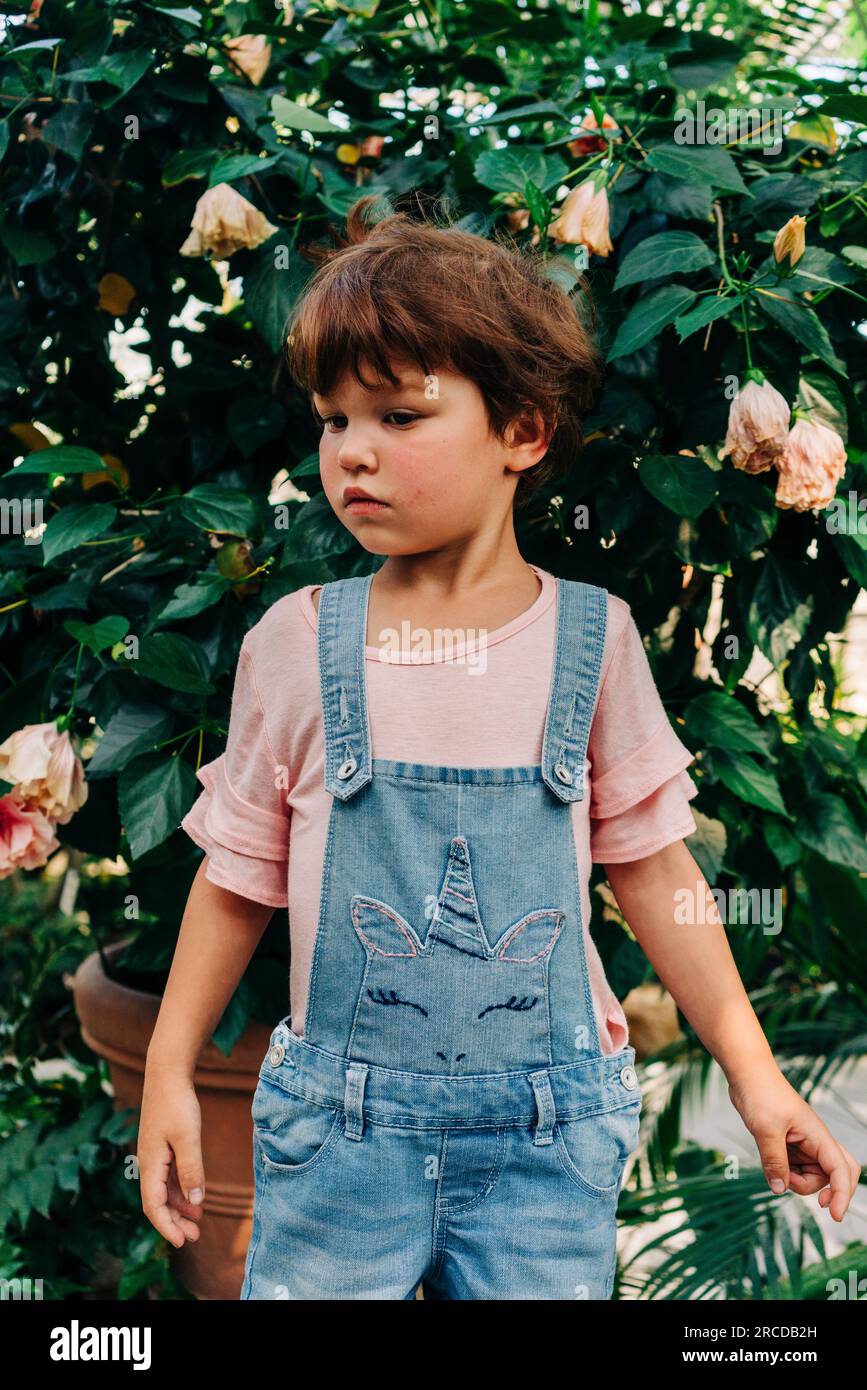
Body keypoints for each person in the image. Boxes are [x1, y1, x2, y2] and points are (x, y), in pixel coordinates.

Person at [138, 195, 860, 1300]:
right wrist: (168, 1068)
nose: (353, 454)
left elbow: (660, 876)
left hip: (546, 1146)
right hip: (339, 1147)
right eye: (334, 421)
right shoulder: (297, 644)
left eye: (398, 416)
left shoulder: (593, 642)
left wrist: (756, 1077)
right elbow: (238, 876)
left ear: (523, 431)